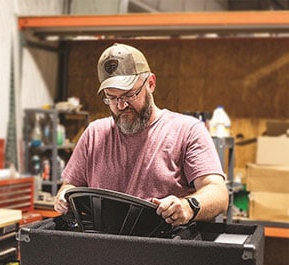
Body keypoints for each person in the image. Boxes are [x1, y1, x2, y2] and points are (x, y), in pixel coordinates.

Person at [54, 43, 229, 226]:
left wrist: (188, 206)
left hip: (163, 247)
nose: (121, 106)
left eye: (130, 94)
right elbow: (70, 186)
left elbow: (218, 192)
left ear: (151, 83)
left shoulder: (187, 131)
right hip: (103, 247)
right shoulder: (94, 134)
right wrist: (64, 195)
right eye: (112, 98)